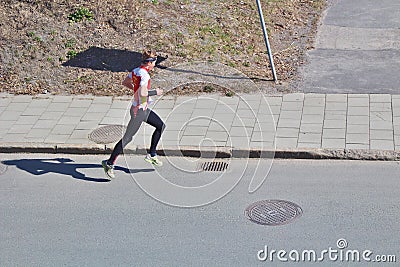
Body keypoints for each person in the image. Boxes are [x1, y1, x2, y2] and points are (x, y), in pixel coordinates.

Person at [102, 49, 165, 179]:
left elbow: (125, 83)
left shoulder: (136, 71)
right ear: (149, 63)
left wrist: (136, 90)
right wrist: (155, 92)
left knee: (160, 125)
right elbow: (142, 93)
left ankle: (152, 154)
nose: (155, 64)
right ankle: (109, 163)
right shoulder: (145, 75)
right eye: (154, 62)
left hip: (141, 108)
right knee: (127, 138)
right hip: (138, 112)